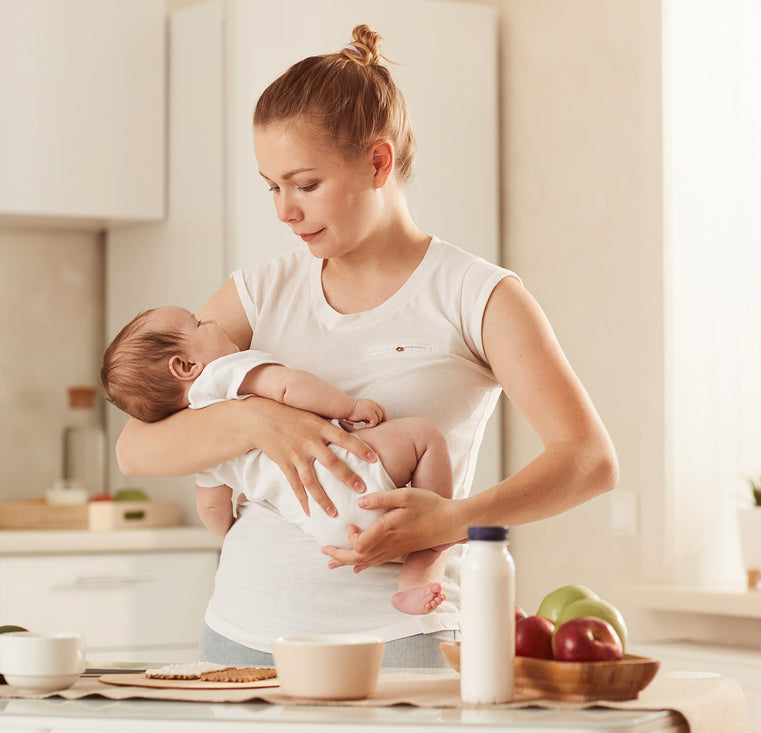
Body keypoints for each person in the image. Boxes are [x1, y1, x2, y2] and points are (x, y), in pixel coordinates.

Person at [114, 24, 618, 668]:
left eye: (304, 183)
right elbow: (137, 447)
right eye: (272, 186)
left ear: (378, 163)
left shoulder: (477, 294)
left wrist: (451, 519)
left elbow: (589, 460)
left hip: (405, 643)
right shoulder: (257, 293)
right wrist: (256, 417)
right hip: (237, 638)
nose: (285, 212)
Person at [100, 304, 452, 616]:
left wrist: (230, 529)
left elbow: (212, 508)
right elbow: (288, 386)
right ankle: (426, 557)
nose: (211, 320)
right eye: (197, 323)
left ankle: (411, 574)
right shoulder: (225, 374)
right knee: (425, 437)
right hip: (353, 470)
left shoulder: (199, 443)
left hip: (325, 527)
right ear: (186, 365)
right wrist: (350, 407)